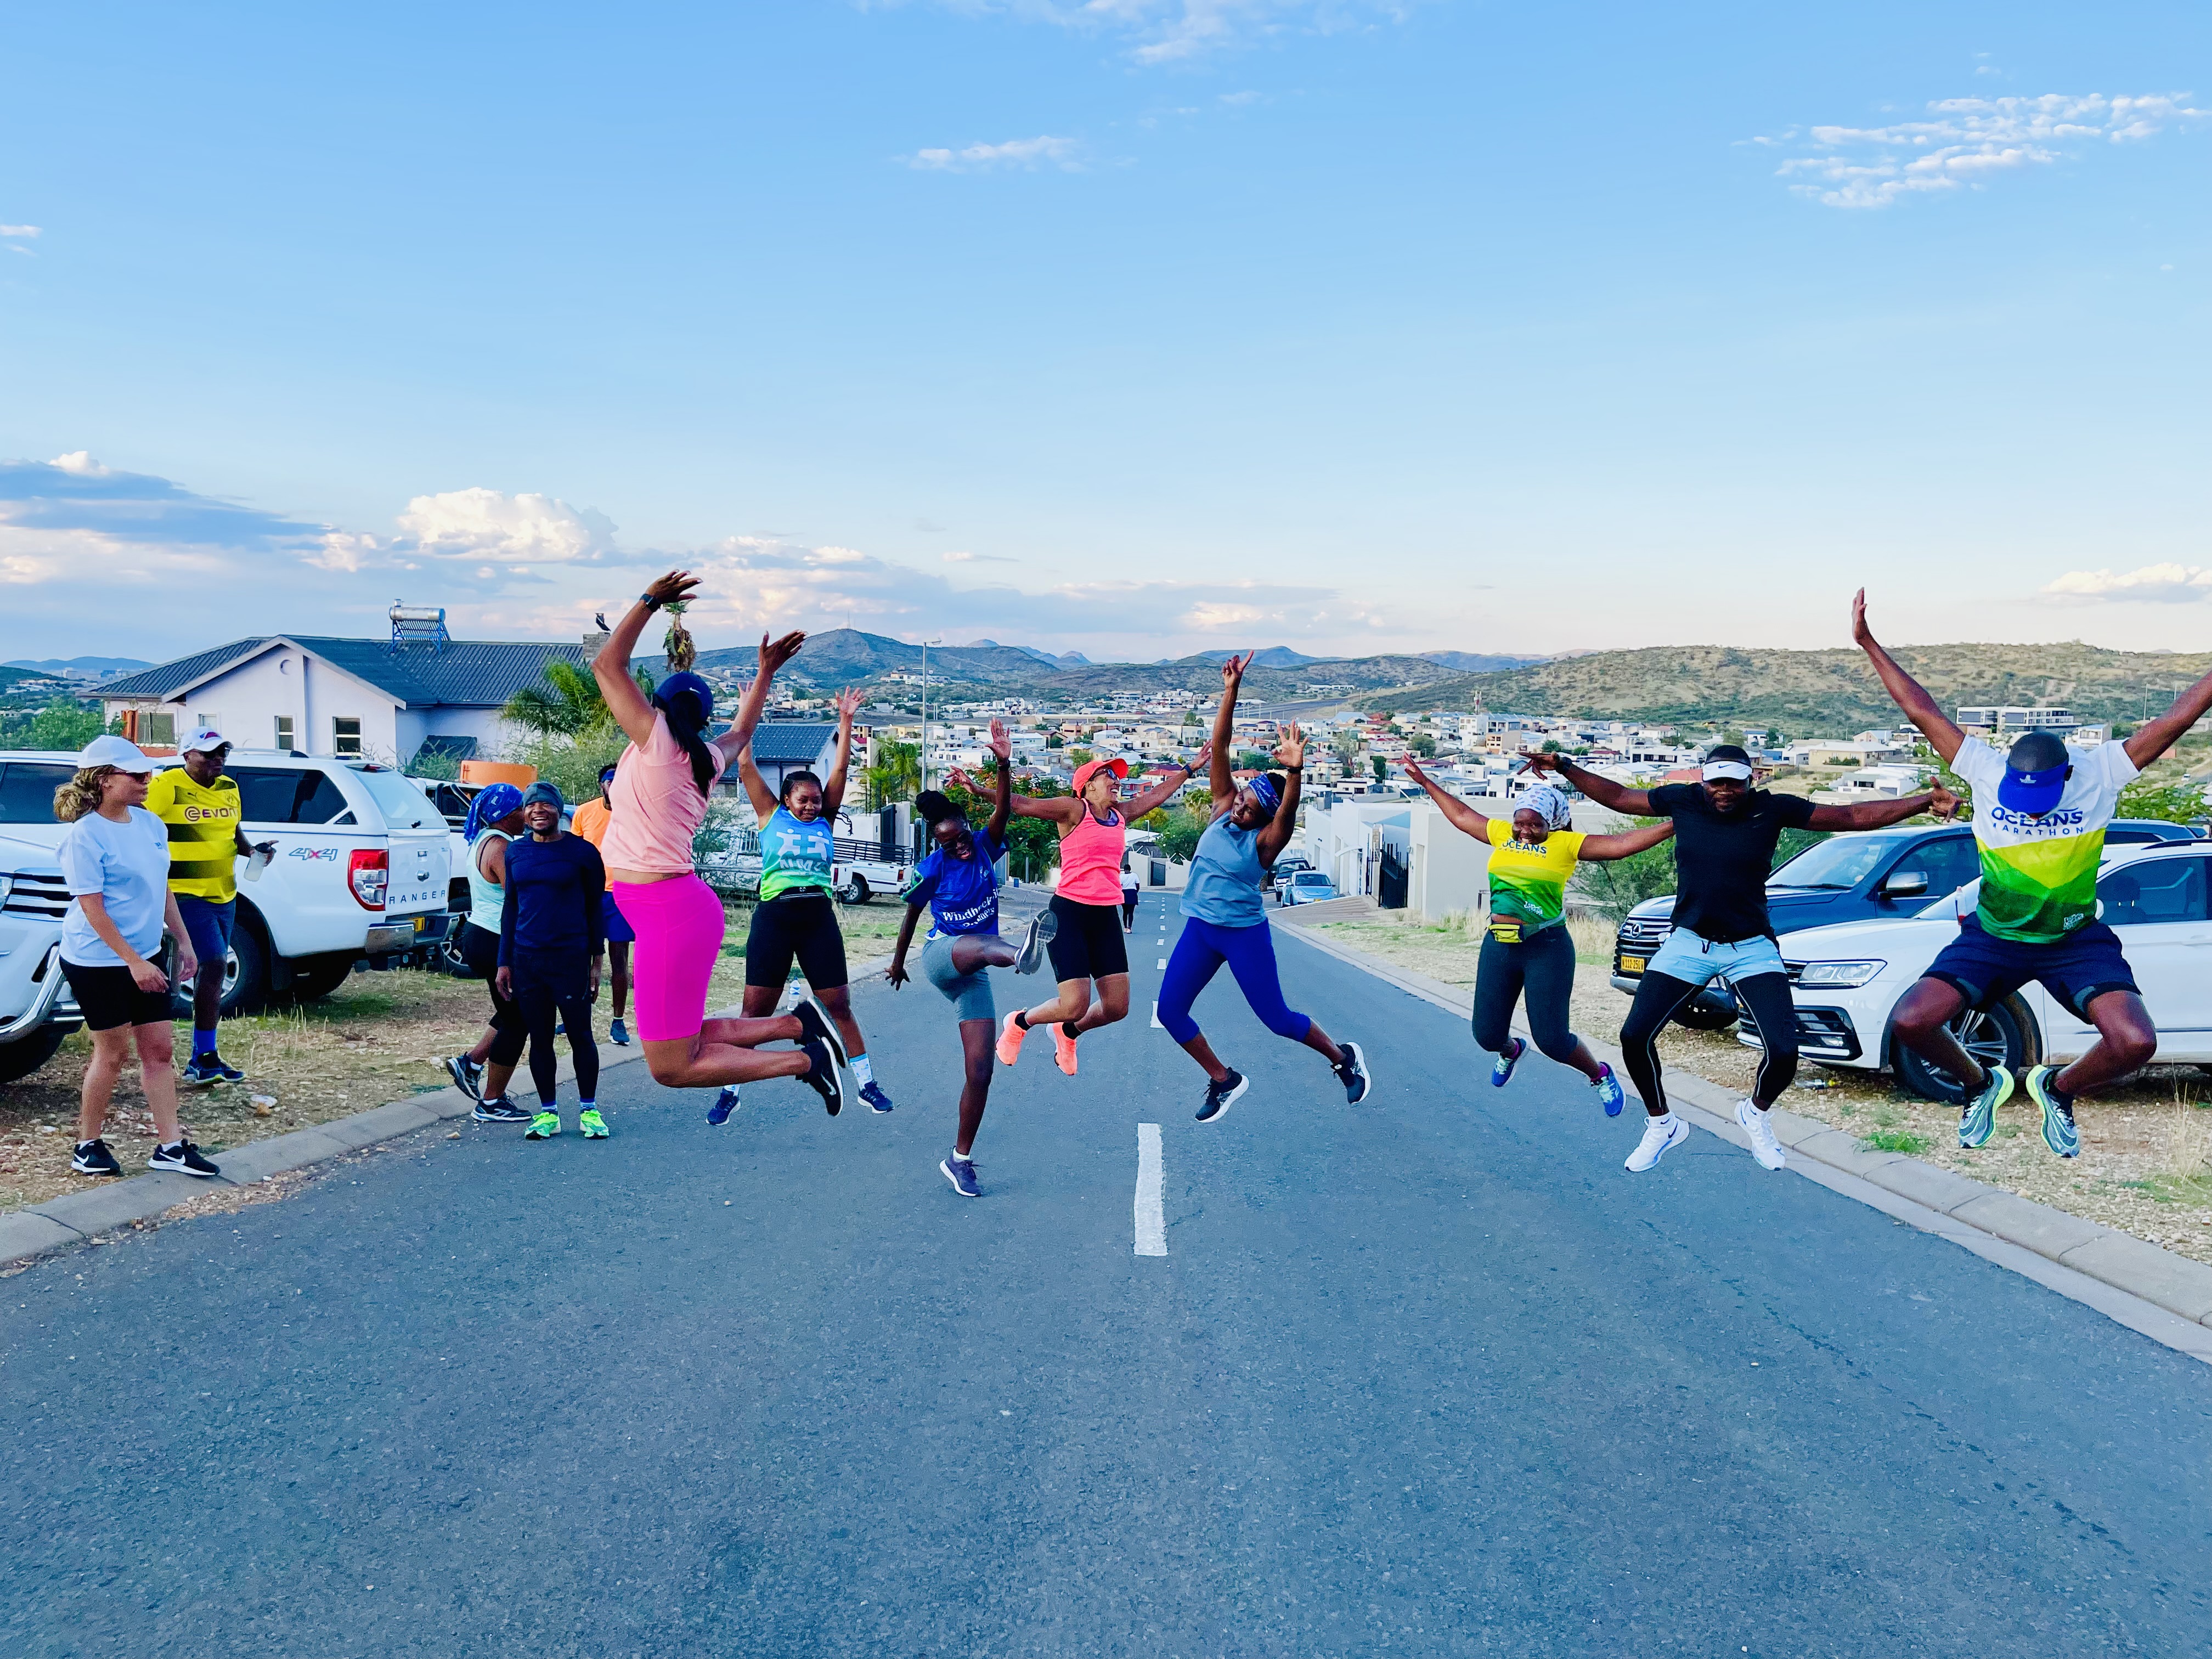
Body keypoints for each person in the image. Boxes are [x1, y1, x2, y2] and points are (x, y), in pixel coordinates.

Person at [1852, 589, 2212, 1158]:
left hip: (2073, 939)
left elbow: (2177, 719)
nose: (2031, 807)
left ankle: (2057, 1089)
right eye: (2024, 798)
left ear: (2067, 774)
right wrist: (1869, 644)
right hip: (1994, 935)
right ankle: (1981, 1085)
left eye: (2043, 796)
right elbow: (1922, 711)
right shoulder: (1987, 770)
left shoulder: (2101, 772)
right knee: (1913, 1021)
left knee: (2135, 1040)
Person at [1523, 743, 1957, 1175]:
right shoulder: (1683, 800)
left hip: (1751, 947)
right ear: (1704, 780)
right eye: (1716, 783)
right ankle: (1662, 1124)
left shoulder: (1773, 809)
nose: (1724, 791)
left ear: (1752, 780)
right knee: (1634, 1037)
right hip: (1689, 944)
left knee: (1785, 1051)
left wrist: (1923, 801)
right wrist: (1563, 765)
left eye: (1734, 782)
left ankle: (1755, 1113)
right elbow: (1619, 798)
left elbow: (1853, 817)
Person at [589, 569, 842, 1121]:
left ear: (655, 707)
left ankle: (803, 1062)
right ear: (701, 719)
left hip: (666, 914)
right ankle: (798, 1025)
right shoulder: (704, 760)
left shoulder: (656, 745)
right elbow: (743, 732)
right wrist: (764, 674)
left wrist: (651, 602)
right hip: (678, 910)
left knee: (672, 1066)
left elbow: (607, 665)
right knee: (688, 1038)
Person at [1155, 653, 1370, 1123]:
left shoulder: (1268, 843)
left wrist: (1295, 772)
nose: (1240, 810)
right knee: (1170, 1012)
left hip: (1242, 933)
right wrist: (1230, 689)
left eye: (1251, 809)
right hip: (1201, 929)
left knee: (1277, 1020)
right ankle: (1222, 1079)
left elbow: (1288, 814)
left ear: (1266, 819)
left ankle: (1343, 1058)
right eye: (1242, 799)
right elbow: (1220, 745)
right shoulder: (1222, 806)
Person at [1402, 757, 1674, 1115]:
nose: (1525, 831)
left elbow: (1622, 844)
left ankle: (1600, 1075)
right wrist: (1425, 782)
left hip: (1546, 948)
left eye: (1535, 824)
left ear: (1552, 823)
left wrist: (1677, 825)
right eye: (1520, 823)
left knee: (1553, 1040)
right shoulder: (1502, 834)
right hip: (1500, 944)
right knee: (1486, 1036)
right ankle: (1511, 1051)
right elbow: (1464, 817)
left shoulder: (1566, 845)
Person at [885, 720, 1058, 1197]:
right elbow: (910, 917)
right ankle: (1021, 953)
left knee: (980, 1072)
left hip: (975, 974)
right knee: (986, 947)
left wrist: (1003, 763)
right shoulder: (932, 868)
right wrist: (899, 962)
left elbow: (1003, 809)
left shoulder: (984, 845)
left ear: (967, 827)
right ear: (937, 844)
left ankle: (959, 1159)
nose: (959, 846)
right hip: (943, 957)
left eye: (961, 835)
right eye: (949, 843)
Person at [987, 740, 1211, 1077]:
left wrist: (1190, 769)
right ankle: (1019, 1023)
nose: (1116, 780)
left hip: (1105, 914)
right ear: (1088, 785)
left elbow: (1155, 796)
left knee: (1117, 1007)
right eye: (1108, 775)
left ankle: (1068, 1033)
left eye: (1117, 776)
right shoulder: (1073, 810)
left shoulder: (1120, 815)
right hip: (1069, 913)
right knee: (1075, 1004)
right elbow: (1019, 804)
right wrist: (985, 780)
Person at [52, 735, 219, 1178]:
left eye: (150, 774)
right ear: (106, 781)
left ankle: (170, 1146)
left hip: (144, 954)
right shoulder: (84, 837)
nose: (149, 781)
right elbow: (93, 909)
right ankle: (87, 1145)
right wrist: (133, 962)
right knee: (112, 1054)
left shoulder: (149, 825)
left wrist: (182, 942)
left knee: (160, 1049)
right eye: (138, 775)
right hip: (97, 959)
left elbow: (162, 888)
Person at [733, 685, 891, 1115]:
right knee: (754, 1011)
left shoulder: (825, 818)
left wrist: (846, 719)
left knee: (839, 1003)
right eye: (803, 800)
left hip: (817, 915)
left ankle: (866, 1083)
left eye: (816, 800)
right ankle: (730, 1091)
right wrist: (750, 707)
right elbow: (744, 760)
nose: (810, 806)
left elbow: (841, 767)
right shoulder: (769, 814)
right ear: (786, 799)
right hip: (776, 915)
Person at [142, 727, 275, 1088]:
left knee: (213, 971)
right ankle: (201, 1057)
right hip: (185, 891)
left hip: (224, 892)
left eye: (223, 753)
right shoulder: (168, 784)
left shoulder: (230, 787)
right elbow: (141, 825)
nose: (217, 759)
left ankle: (206, 1054)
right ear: (187, 755)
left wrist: (253, 851)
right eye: (209, 753)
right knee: (214, 962)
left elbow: (233, 830)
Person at [499, 782, 609, 1141]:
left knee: (580, 1036)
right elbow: (511, 908)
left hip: (571, 959)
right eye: (532, 806)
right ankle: (548, 1114)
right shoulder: (515, 854)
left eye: (546, 805)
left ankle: (589, 1111)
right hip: (528, 960)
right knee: (541, 1039)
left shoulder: (583, 853)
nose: (538, 811)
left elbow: (596, 909)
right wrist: (505, 962)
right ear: (525, 813)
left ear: (558, 811)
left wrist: (596, 962)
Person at [440, 783, 535, 1124]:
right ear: (506, 815)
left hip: (480, 934)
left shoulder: (480, 840)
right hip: (499, 940)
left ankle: (472, 1063)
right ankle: (491, 1102)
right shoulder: (504, 850)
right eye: (520, 810)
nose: (526, 815)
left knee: (512, 1012)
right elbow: (522, 899)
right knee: (519, 1020)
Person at [567, 763, 634, 1046]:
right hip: (589, 895)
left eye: (620, 779)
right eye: (609, 780)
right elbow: (573, 853)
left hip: (622, 894)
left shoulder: (635, 813)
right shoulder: (584, 812)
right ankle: (577, 1016)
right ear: (601, 785)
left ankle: (618, 1022)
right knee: (581, 957)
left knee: (618, 958)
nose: (614, 784)